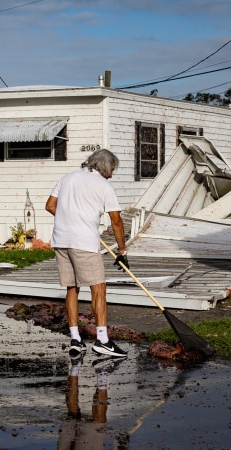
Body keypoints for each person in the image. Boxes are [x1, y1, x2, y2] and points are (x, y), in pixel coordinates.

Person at [45, 148, 129, 358]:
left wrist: (71, 219)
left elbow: (50, 206)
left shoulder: (67, 178)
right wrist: (122, 249)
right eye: (112, 169)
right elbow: (116, 221)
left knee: (72, 288)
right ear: (105, 166)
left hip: (61, 239)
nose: (112, 174)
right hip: (83, 243)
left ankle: (75, 339)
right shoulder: (104, 185)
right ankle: (102, 341)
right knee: (98, 288)